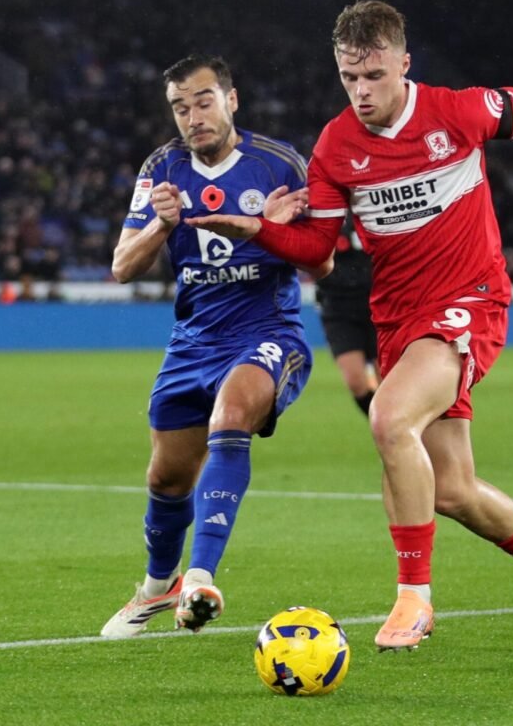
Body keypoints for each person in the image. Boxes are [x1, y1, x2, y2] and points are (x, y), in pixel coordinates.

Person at [189, 0, 513, 651]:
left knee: (389, 419)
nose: (361, 92)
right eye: (349, 79)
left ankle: (414, 600)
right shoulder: (337, 145)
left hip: (470, 300)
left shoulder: (458, 112)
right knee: (449, 488)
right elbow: (320, 251)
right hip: (397, 320)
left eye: (373, 76)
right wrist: (259, 228)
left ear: (404, 63)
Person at [100, 54, 330, 638]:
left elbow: (323, 259)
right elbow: (122, 267)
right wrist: (160, 225)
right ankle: (159, 586)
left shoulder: (278, 165)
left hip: (267, 332)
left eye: (204, 101)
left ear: (232, 99)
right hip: (193, 341)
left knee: (231, 415)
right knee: (166, 479)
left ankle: (200, 577)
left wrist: (270, 229)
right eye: (181, 107)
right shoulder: (163, 167)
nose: (193, 116)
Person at [314, 213, 380, 415]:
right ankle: (384, 430)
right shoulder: (319, 211)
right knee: (356, 382)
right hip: (337, 307)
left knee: (389, 382)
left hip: (377, 304)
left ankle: (397, 432)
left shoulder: (367, 206)